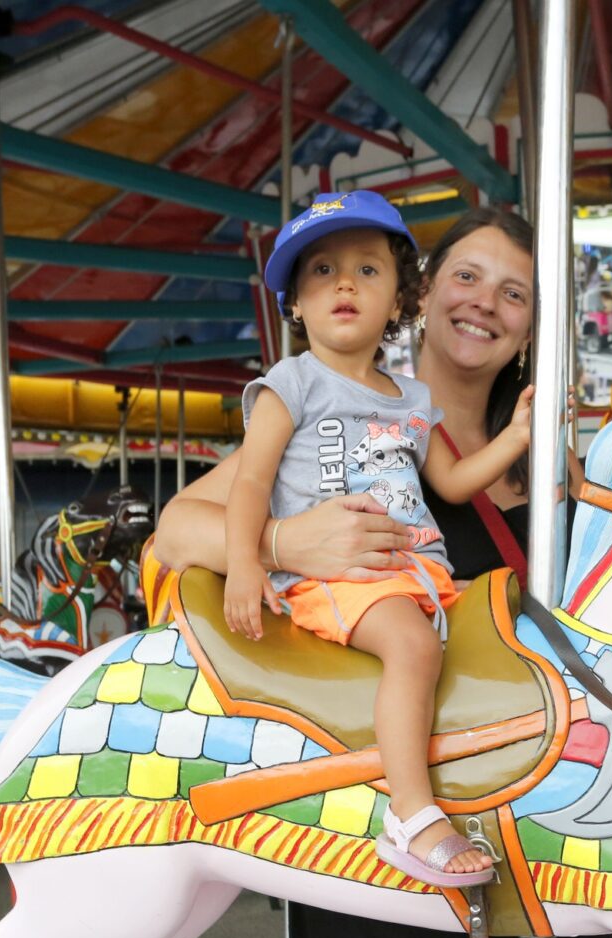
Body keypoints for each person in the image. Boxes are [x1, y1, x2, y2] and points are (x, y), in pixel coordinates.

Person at [154, 205, 612, 938]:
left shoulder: (538, 465)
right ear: (427, 289)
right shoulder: (326, 409)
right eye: (469, 275)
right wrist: (287, 540)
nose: (485, 304)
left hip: (531, 801)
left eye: (514, 293)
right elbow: (179, 528)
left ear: (533, 325)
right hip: (393, 796)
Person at [224, 191, 532, 886]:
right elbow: (248, 483)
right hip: (341, 579)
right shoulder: (291, 385)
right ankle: (412, 816)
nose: (344, 284)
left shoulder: (410, 400)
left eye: (367, 270)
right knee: (414, 647)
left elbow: (452, 483)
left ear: (399, 299)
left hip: (412, 574)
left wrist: (517, 437)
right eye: (323, 271)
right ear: (295, 304)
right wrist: (247, 561)